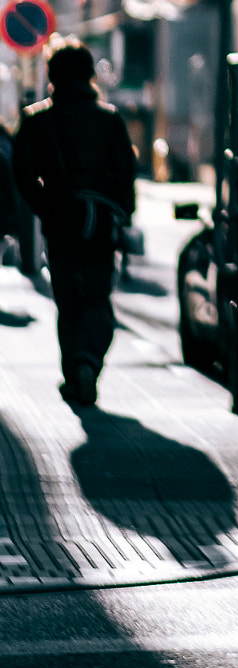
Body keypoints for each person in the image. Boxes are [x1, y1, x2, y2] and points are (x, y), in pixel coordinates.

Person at [14, 41, 137, 408]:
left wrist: (45, 207)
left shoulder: (38, 120)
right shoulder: (110, 119)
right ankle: (88, 361)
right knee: (98, 297)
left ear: (51, 76)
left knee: (68, 300)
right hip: (100, 223)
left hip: (60, 222)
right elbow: (126, 174)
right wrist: (121, 215)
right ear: (90, 75)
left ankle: (73, 374)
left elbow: (22, 174)